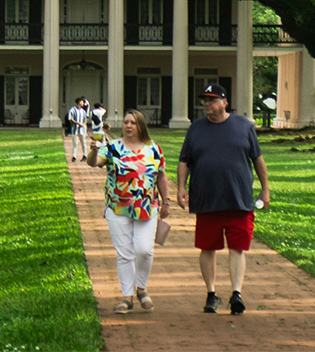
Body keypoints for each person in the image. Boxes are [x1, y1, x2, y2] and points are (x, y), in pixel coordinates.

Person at [176, 82, 269, 315]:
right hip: (207, 199)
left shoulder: (243, 126)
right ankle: (211, 294)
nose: (207, 104)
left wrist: (265, 189)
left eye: (212, 100)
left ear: (224, 102)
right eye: (205, 101)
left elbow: (257, 159)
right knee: (207, 248)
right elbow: (184, 160)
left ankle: (236, 293)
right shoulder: (195, 128)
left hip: (239, 198)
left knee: (238, 248)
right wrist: (181, 187)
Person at [87, 109, 171, 313]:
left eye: (133, 122)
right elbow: (94, 162)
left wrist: (166, 200)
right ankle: (127, 297)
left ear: (140, 126)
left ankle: (141, 287)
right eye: (126, 122)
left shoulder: (153, 149)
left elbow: (160, 175)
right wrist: (92, 149)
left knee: (145, 250)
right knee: (124, 254)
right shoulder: (112, 147)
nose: (128, 126)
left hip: (147, 207)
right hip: (118, 207)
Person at [68, 97, 90, 161]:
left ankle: (85, 155)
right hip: (75, 129)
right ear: (79, 102)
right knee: (75, 143)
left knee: (83, 143)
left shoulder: (83, 111)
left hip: (82, 130)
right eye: (82, 101)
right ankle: (74, 156)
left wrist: (83, 124)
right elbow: (70, 119)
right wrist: (78, 123)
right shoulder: (72, 110)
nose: (83, 103)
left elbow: (86, 119)